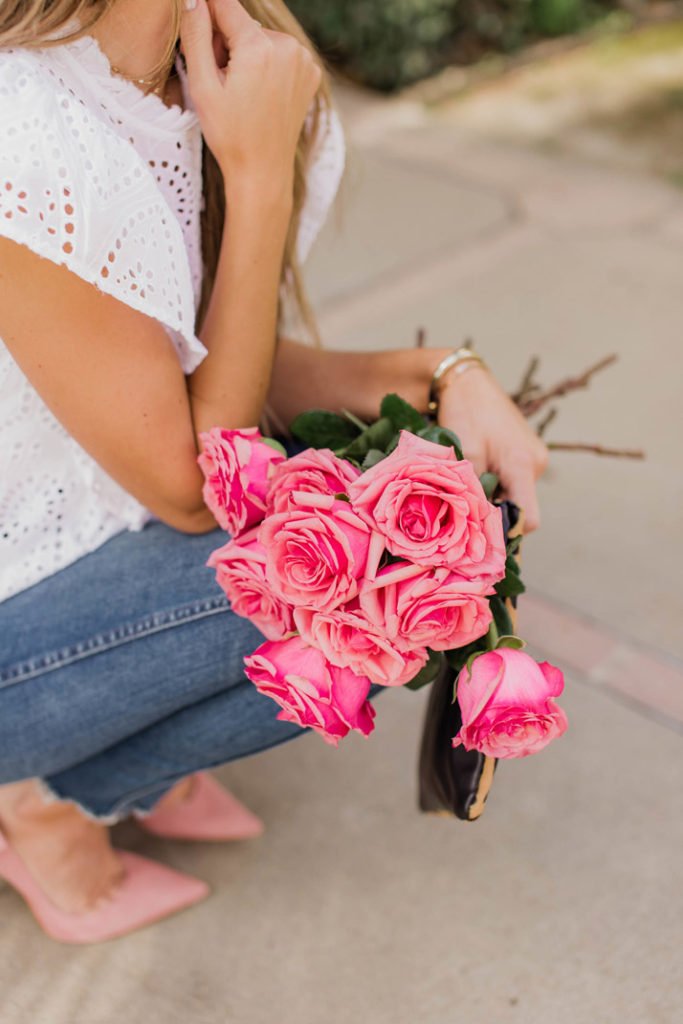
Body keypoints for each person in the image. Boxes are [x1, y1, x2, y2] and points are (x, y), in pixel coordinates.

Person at [0, 0, 548, 943]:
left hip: (103, 528)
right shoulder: (27, 125)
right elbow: (190, 486)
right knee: (371, 584)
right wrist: (254, 179)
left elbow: (197, 358)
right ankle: (40, 800)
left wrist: (440, 374)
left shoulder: (226, 56)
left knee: (378, 527)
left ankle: (103, 766)